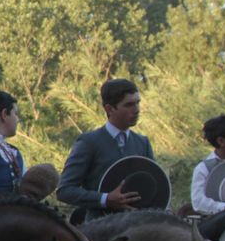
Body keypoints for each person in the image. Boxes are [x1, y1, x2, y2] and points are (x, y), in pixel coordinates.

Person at [56, 78, 156, 223]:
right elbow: (64, 191)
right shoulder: (88, 142)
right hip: (101, 232)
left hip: (138, 230)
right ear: (109, 109)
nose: (136, 110)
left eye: (137, 102)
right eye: (128, 105)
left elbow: (153, 185)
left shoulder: (143, 143)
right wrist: (105, 199)